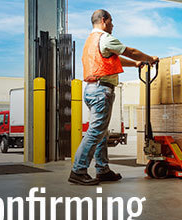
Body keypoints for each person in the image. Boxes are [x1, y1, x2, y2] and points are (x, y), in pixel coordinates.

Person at [68, 9, 159, 185]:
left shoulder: (91, 41)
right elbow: (129, 51)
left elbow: (116, 58)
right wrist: (150, 59)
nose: (113, 25)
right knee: (95, 132)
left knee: (101, 132)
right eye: (111, 21)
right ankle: (78, 170)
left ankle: (103, 170)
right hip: (101, 90)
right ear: (104, 20)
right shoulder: (105, 38)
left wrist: (135, 64)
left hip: (91, 89)